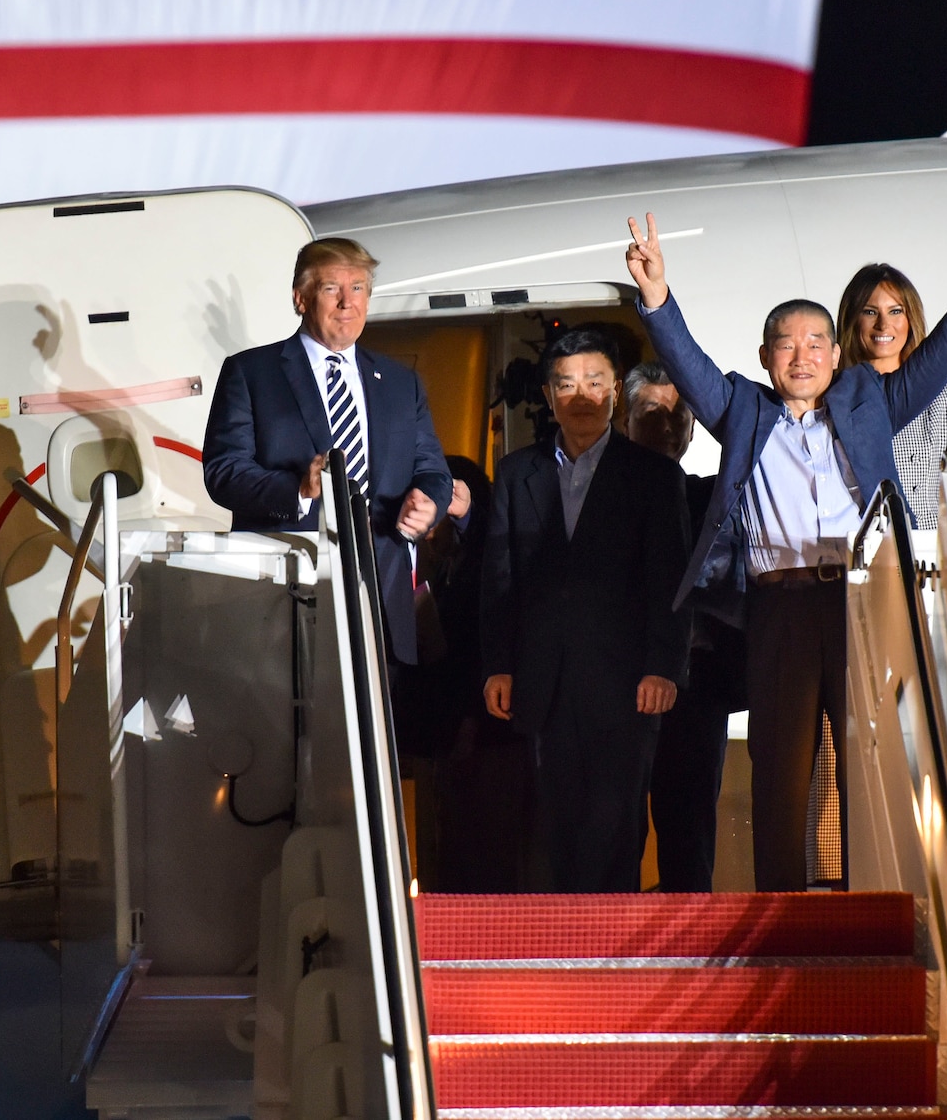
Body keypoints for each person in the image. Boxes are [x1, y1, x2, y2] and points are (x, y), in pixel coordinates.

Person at [624, 207, 947, 891]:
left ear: (837, 357)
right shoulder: (741, 409)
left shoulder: (868, 400)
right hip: (779, 610)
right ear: (765, 357)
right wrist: (656, 295)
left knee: (868, 760)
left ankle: (872, 906)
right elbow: (687, 365)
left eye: (814, 344)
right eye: (785, 344)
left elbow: (931, 365)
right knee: (782, 770)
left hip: (861, 601)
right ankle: (782, 917)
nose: (801, 356)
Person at [480, 328, 692, 892]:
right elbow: (500, 577)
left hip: (625, 681)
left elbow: (669, 582)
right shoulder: (516, 472)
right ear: (549, 396)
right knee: (553, 825)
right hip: (541, 677)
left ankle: (610, 954)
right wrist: (498, 664)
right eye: (567, 384)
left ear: (615, 391)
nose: (581, 395)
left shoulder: (653, 476)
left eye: (594, 382)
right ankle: (560, 949)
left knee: (616, 823)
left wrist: (663, 666)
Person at [203, 237, 453, 665]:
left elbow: (432, 470)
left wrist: (430, 502)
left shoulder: (399, 382)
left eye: (358, 288)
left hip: (382, 600)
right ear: (301, 299)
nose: (346, 303)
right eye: (331, 289)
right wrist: (298, 488)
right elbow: (224, 472)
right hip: (285, 597)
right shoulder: (251, 373)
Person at [624, 362, 747, 892]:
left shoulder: (713, 498)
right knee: (615, 828)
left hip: (696, 690)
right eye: (652, 409)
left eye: (680, 411)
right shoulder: (600, 496)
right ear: (624, 417)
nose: (667, 422)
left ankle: (688, 942)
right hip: (617, 688)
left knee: (689, 830)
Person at [838, 262, 947, 529]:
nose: (884, 324)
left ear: (911, 319)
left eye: (896, 311)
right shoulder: (833, 399)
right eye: (870, 312)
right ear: (852, 321)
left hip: (930, 563)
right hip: (861, 560)